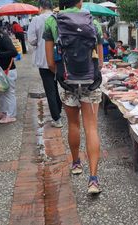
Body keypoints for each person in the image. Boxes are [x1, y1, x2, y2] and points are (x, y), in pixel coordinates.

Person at [44, 0, 104, 194]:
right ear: (79, 2)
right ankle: (93, 180)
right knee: (91, 127)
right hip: (90, 82)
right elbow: (101, 62)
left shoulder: (52, 22)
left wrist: (64, 76)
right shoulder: (92, 22)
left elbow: (50, 62)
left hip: (68, 82)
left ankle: (76, 164)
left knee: (73, 124)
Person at [28, 0, 62, 128]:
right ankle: (59, 110)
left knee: (50, 89)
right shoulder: (58, 18)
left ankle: (57, 118)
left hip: (44, 60)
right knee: (58, 86)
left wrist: (39, 43)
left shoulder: (36, 20)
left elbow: (31, 40)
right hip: (59, 59)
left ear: (41, 7)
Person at [0, 28, 18, 123]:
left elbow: (14, 52)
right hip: (1, 71)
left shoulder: (3, 37)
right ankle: (4, 112)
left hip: (8, 70)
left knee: (9, 93)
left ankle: (11, 115)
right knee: (1, 92)